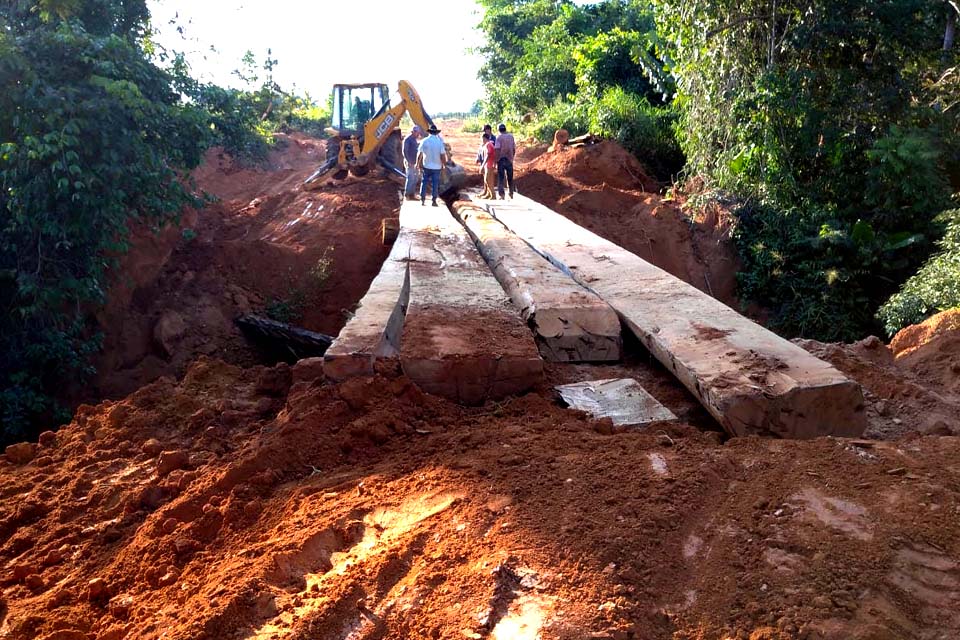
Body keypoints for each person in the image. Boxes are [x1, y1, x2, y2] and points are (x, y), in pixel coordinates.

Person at [416, 124, 447, 206]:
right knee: (435, 183)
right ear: (436, 133)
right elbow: (442, 155)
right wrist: (444, 165)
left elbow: (420, 154)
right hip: (437, 167)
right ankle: (433, 200)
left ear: (429, 132)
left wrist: (417, 164)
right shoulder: (439, 142)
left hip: (426, 166)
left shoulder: (424, 141)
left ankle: (422, 199)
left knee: (424, 182)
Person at [494, 122, 516, 199]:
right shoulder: (511, 137)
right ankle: (511, 193)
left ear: (499, 130)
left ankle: (501, 195)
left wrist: (496, 159)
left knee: (501, 177)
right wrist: (512, 157)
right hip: (509, 159)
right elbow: (513, 149)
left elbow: (497, 149)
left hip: (501, 159)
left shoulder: (499, 138)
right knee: (510, 177)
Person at [402, 125, 422, 200]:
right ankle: (407, 194)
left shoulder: (414, 139)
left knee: (415, 178)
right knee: (410, 178)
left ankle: (412, 194)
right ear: (413, 132)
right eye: (417, 132)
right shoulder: (408, 139)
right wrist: (408, 161)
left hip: (415, 162)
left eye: (418, 132)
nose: (418, 134)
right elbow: (404, 151)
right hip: (410, 162)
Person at [479, 133, 497, 199]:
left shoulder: (488, 145)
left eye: (482, 138)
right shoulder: (489, 144)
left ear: (484, 138)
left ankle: (493, 195)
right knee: (488, 180)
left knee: (487, 180)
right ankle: (489, 194)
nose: (482, 140)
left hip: (489, 165)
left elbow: (488, 155)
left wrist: (483, 165)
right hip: (489, 164)